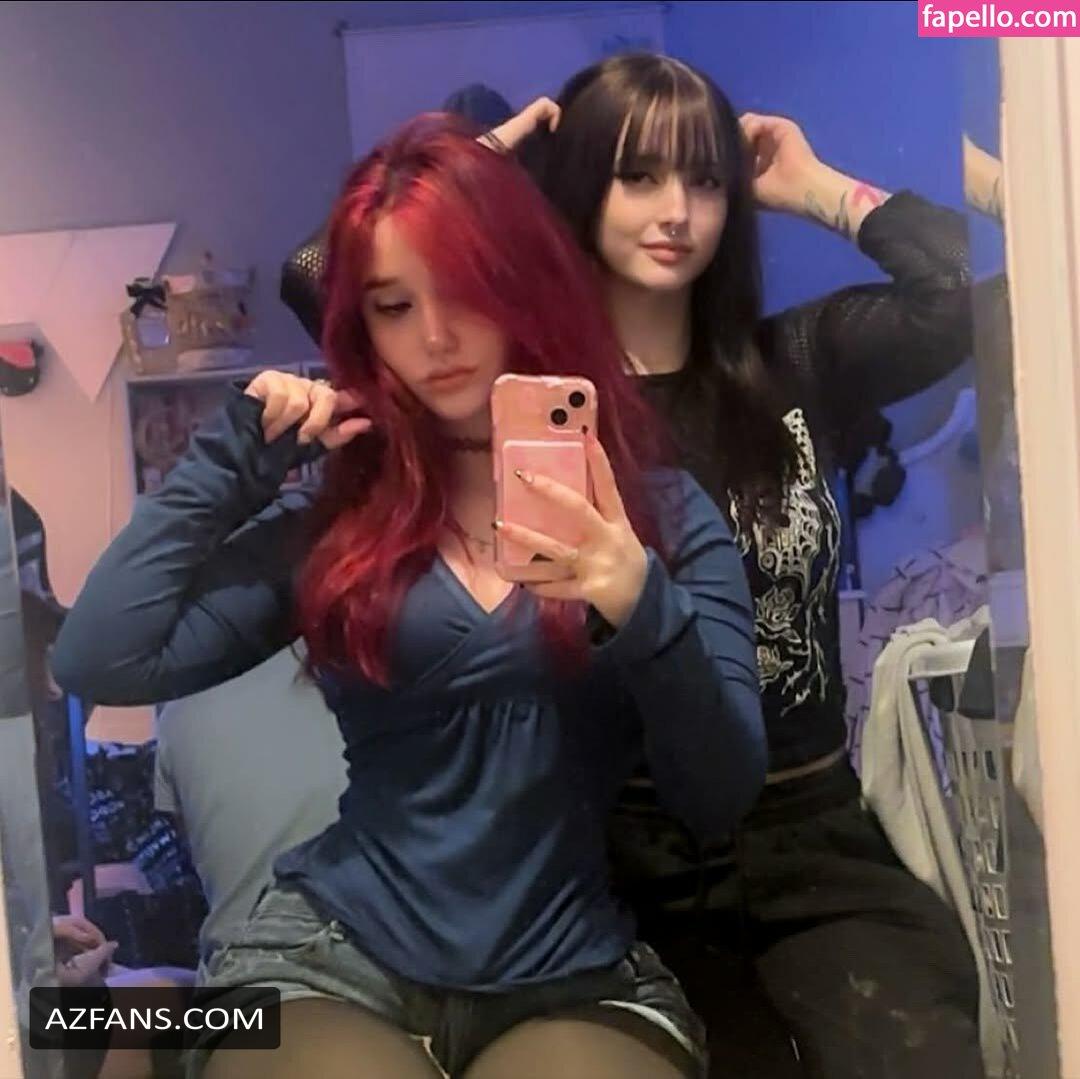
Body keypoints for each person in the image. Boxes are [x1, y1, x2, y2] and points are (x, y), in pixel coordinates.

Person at [279, 53, 985, 1079]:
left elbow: (962, 293)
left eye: (705, 178)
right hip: (615, 845)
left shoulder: (794, 361)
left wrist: (815, 186)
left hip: (808, 822)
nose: (677, 211)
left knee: (928, 1050)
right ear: (581, 187)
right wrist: (470, 177)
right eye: (638, 176)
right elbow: (324, 271)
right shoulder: (526, 395)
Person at [53, 114, 765, 1079]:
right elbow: (97, 656)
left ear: (522, 284)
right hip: (328, 957)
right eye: (393, 305)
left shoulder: (659, 514)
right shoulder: (344, 514)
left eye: (464, 290)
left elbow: (719, 793)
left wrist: (640, 603)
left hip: (569, 971)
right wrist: (231, 461)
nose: (434, 338)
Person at [153, 645, 347, 967]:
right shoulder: (375, 667)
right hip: (363, 966)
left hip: (240, 972)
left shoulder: (180, 702)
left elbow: (198, 852)